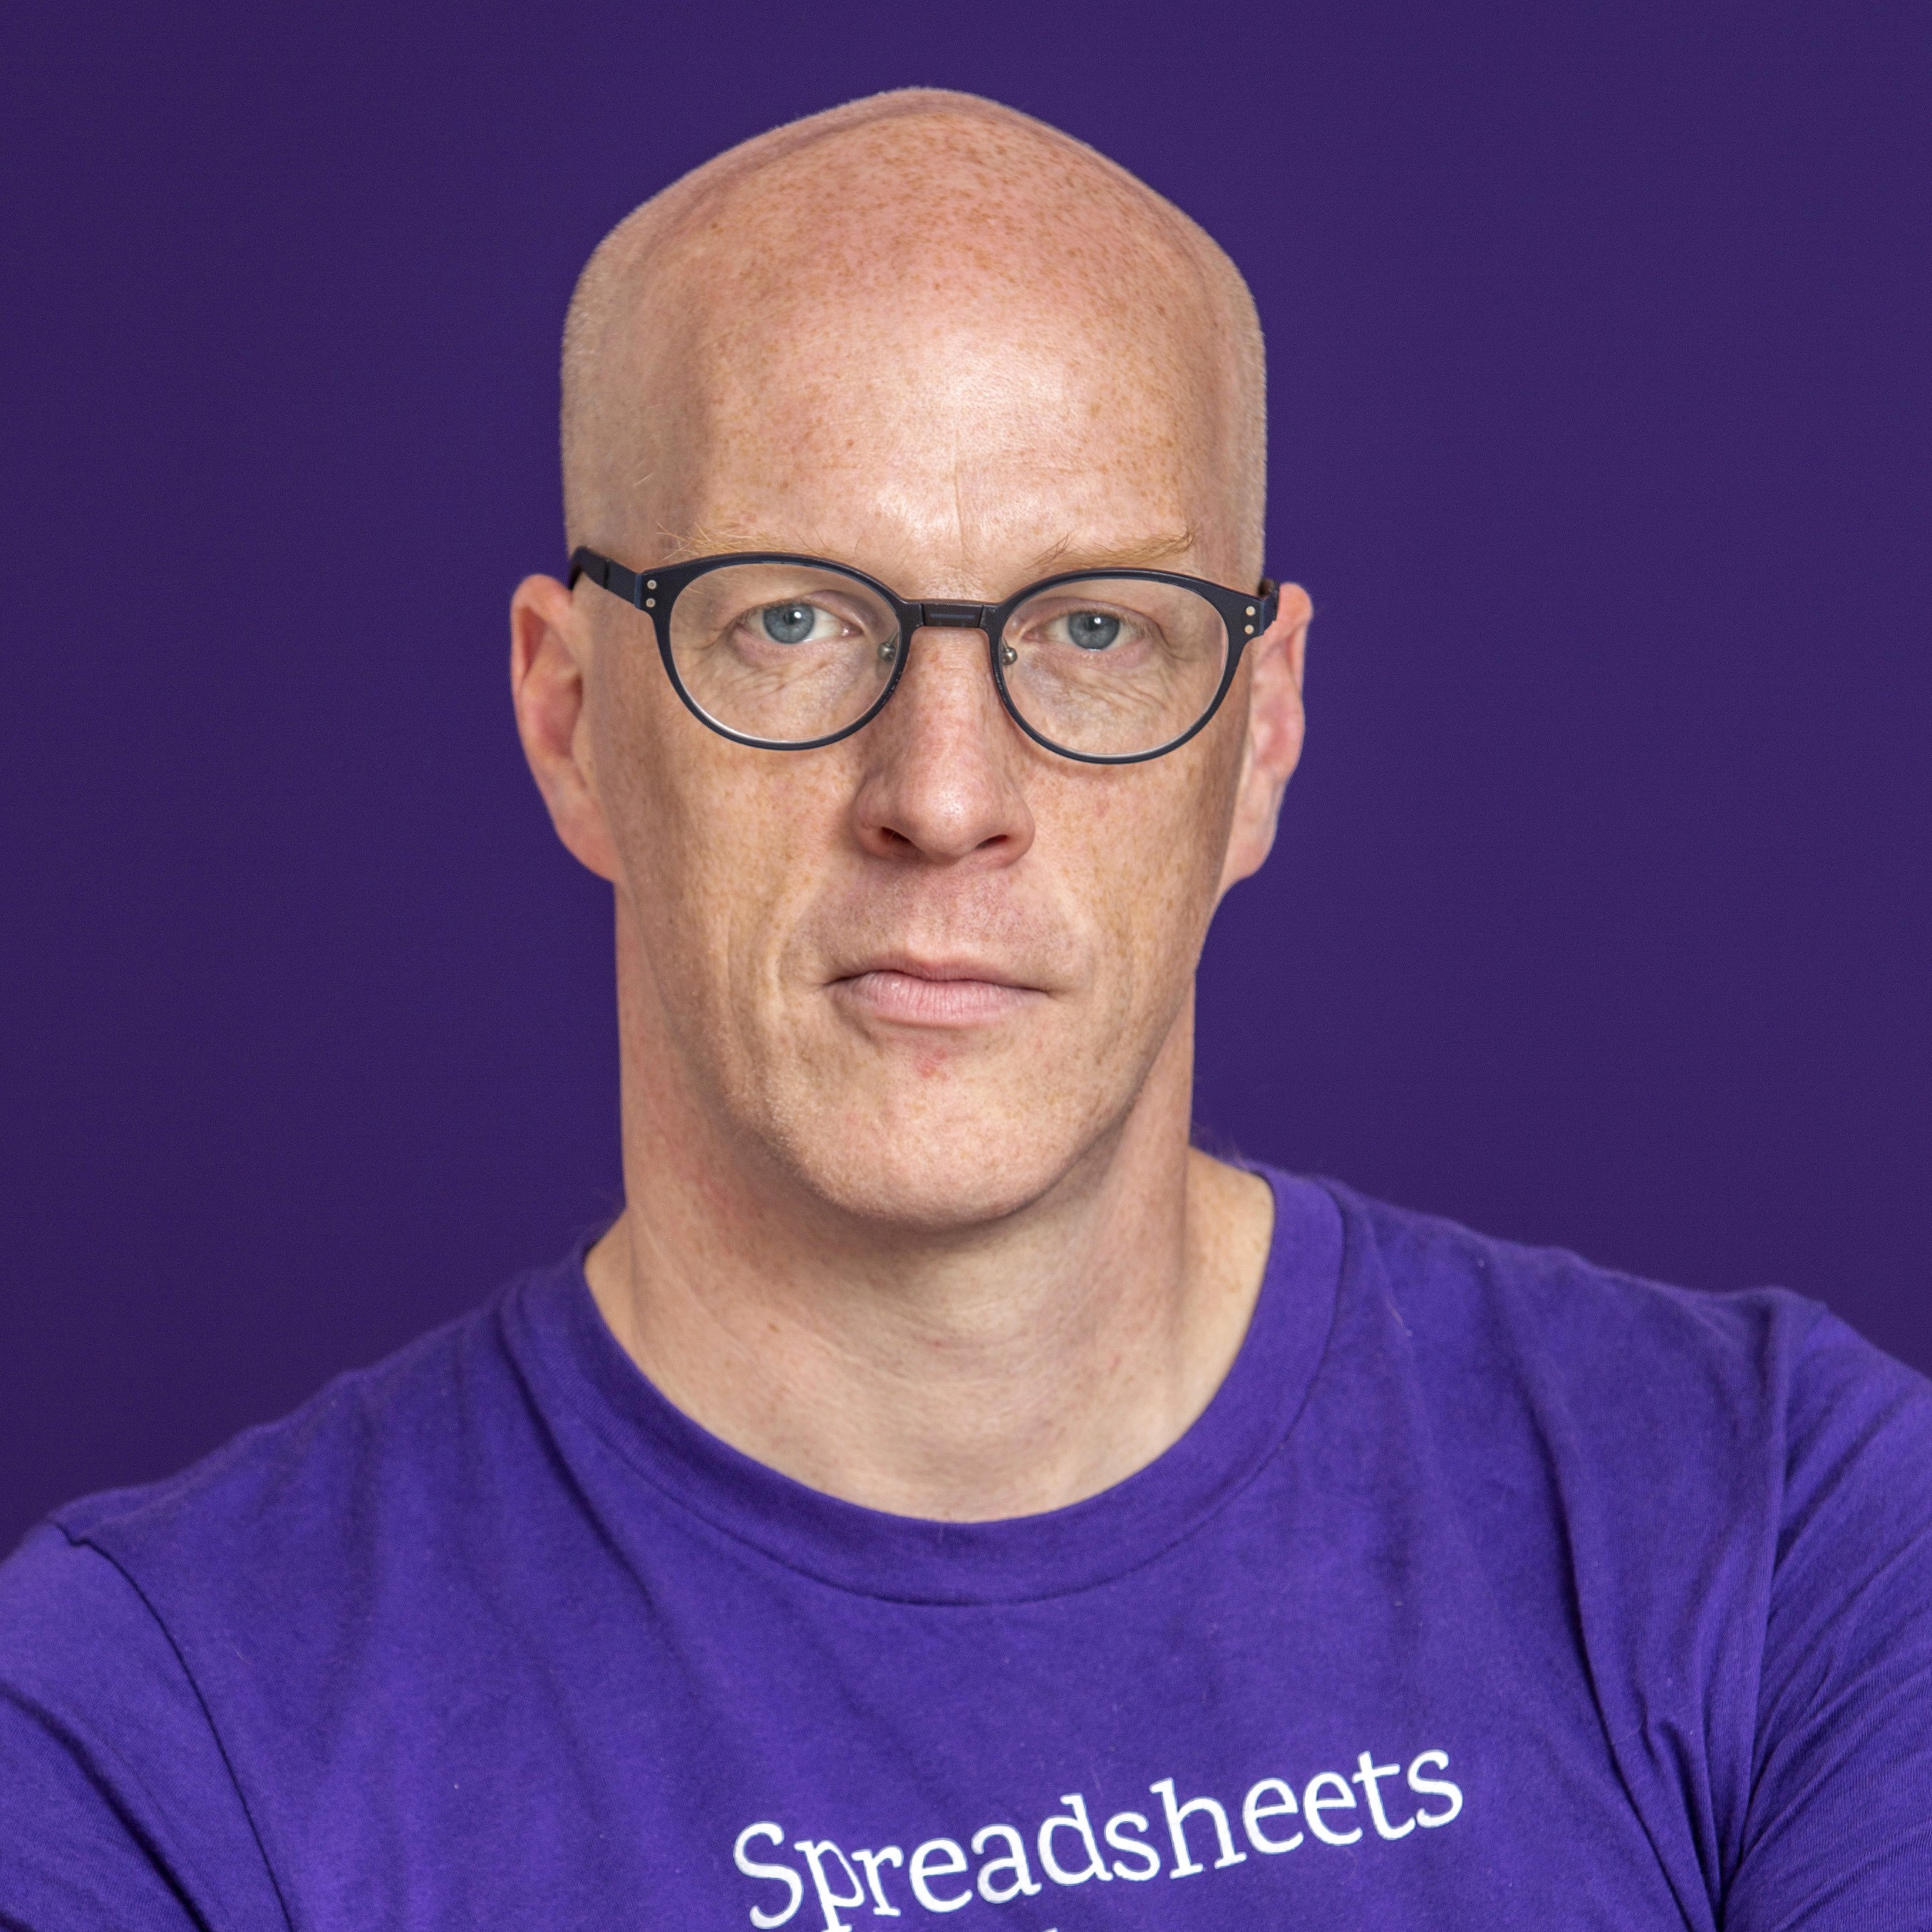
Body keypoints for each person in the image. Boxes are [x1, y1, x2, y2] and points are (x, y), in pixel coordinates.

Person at [1, 88, 1927, 1931]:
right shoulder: (140, 1735)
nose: (941, 794)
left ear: (1260, 738)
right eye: (790, 617)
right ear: (569, 717)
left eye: (1094, 629)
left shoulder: (1787, 1537)